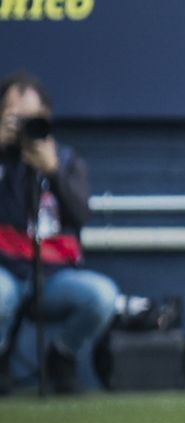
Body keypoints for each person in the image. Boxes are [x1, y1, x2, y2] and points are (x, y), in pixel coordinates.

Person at [0, 72, 120, 395]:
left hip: (55, 276)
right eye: (16, 118)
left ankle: (61, 354)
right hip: (6, 269)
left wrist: (52, 172)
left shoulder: (65, 161)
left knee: (102, 295)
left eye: (32, 119)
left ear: (47, 119)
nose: (25, 127)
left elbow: (81, 214)